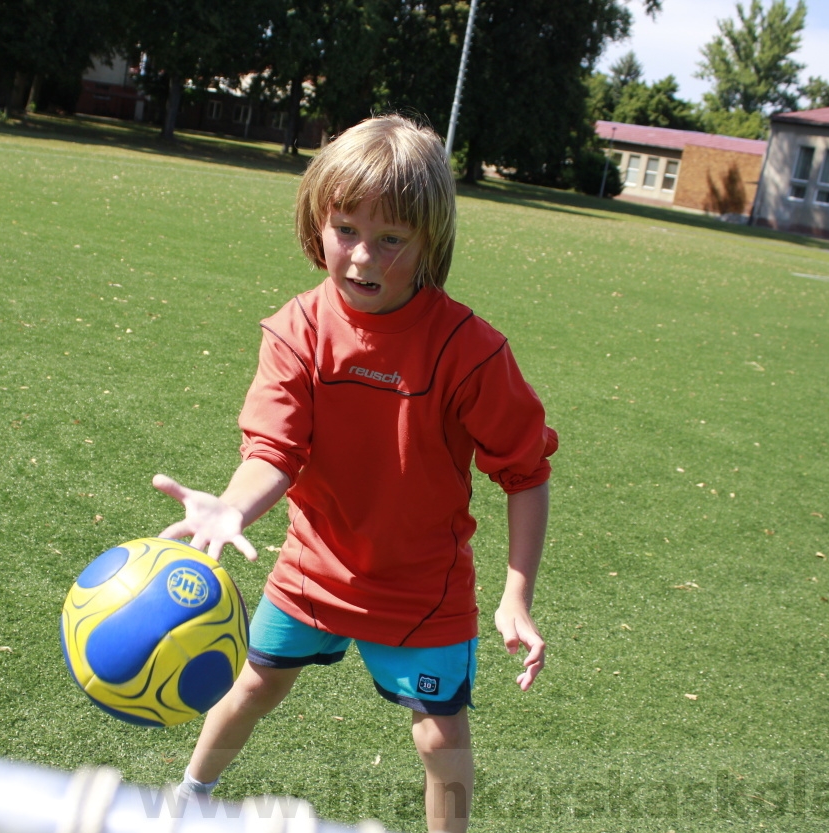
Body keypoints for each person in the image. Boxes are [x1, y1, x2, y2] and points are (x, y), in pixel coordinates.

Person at [153, 114, 557, 833]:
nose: (362, 257)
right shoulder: (298, 330)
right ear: (318, 221)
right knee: (257, 681)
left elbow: (525, 472)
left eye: (391, 238)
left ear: (430, 240)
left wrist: (516, 594)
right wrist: (233, 510)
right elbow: (274, 449)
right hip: (314, 566)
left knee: (441, 735)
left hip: (421, 588)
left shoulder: (471, 351)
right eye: (345, 229)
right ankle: (187, 797)